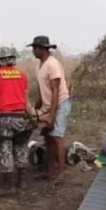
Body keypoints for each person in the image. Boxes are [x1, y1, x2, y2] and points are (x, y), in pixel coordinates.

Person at [0, 47, 35, 191]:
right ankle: (22, 182)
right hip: (21, 116)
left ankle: (8, 185)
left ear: (0, 61)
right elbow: (26, 102)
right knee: (20, 147)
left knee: (5, 149)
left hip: (4, 117)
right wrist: (32, 119)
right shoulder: (22, 75)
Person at [28, 35, 71, 182]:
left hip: (59, 103)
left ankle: (62, 173)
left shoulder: (52, 65)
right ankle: (50, 171)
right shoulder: (40, 65)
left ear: (42, 49)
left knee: (57, 137)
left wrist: (52, 115)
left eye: (35, 48)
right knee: (48, 136)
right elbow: (43, 88)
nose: (33, 51)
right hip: (49, 104)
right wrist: (38, 103)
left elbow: (55, 91)